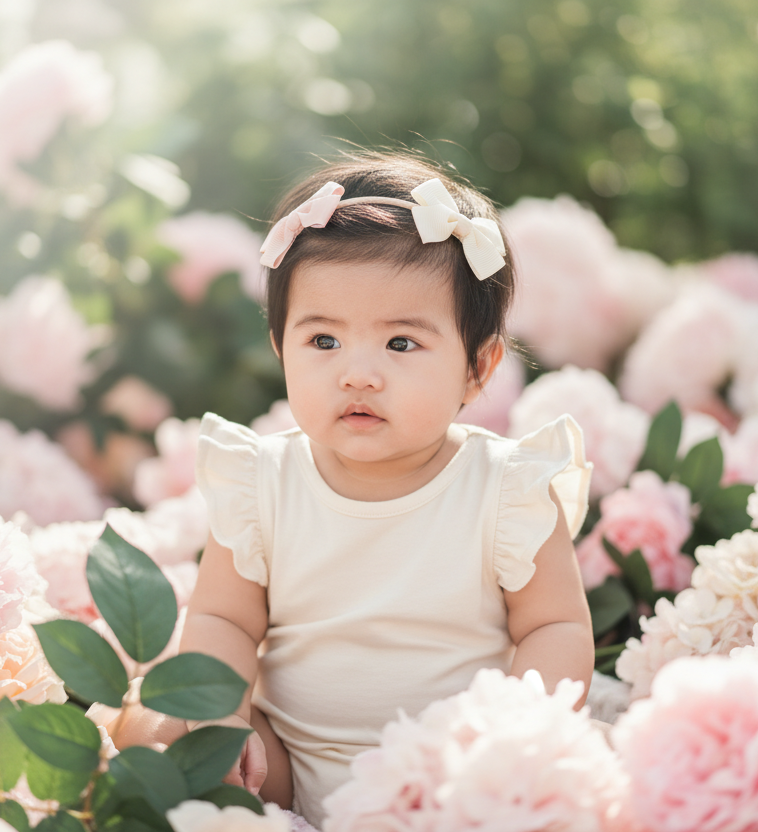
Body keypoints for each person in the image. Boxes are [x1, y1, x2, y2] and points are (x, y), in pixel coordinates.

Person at [117, 151, 594, 828]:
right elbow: (224, 619)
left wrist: (507, 736)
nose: (358, 374)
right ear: (281, 348)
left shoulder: (505, 489)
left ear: (477, 368)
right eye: (324, 341)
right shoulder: (263, 483)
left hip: (449, 775)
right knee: (157, 735)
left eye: (401, 344)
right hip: (285, 760)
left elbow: (555, 625)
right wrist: (223, 717)